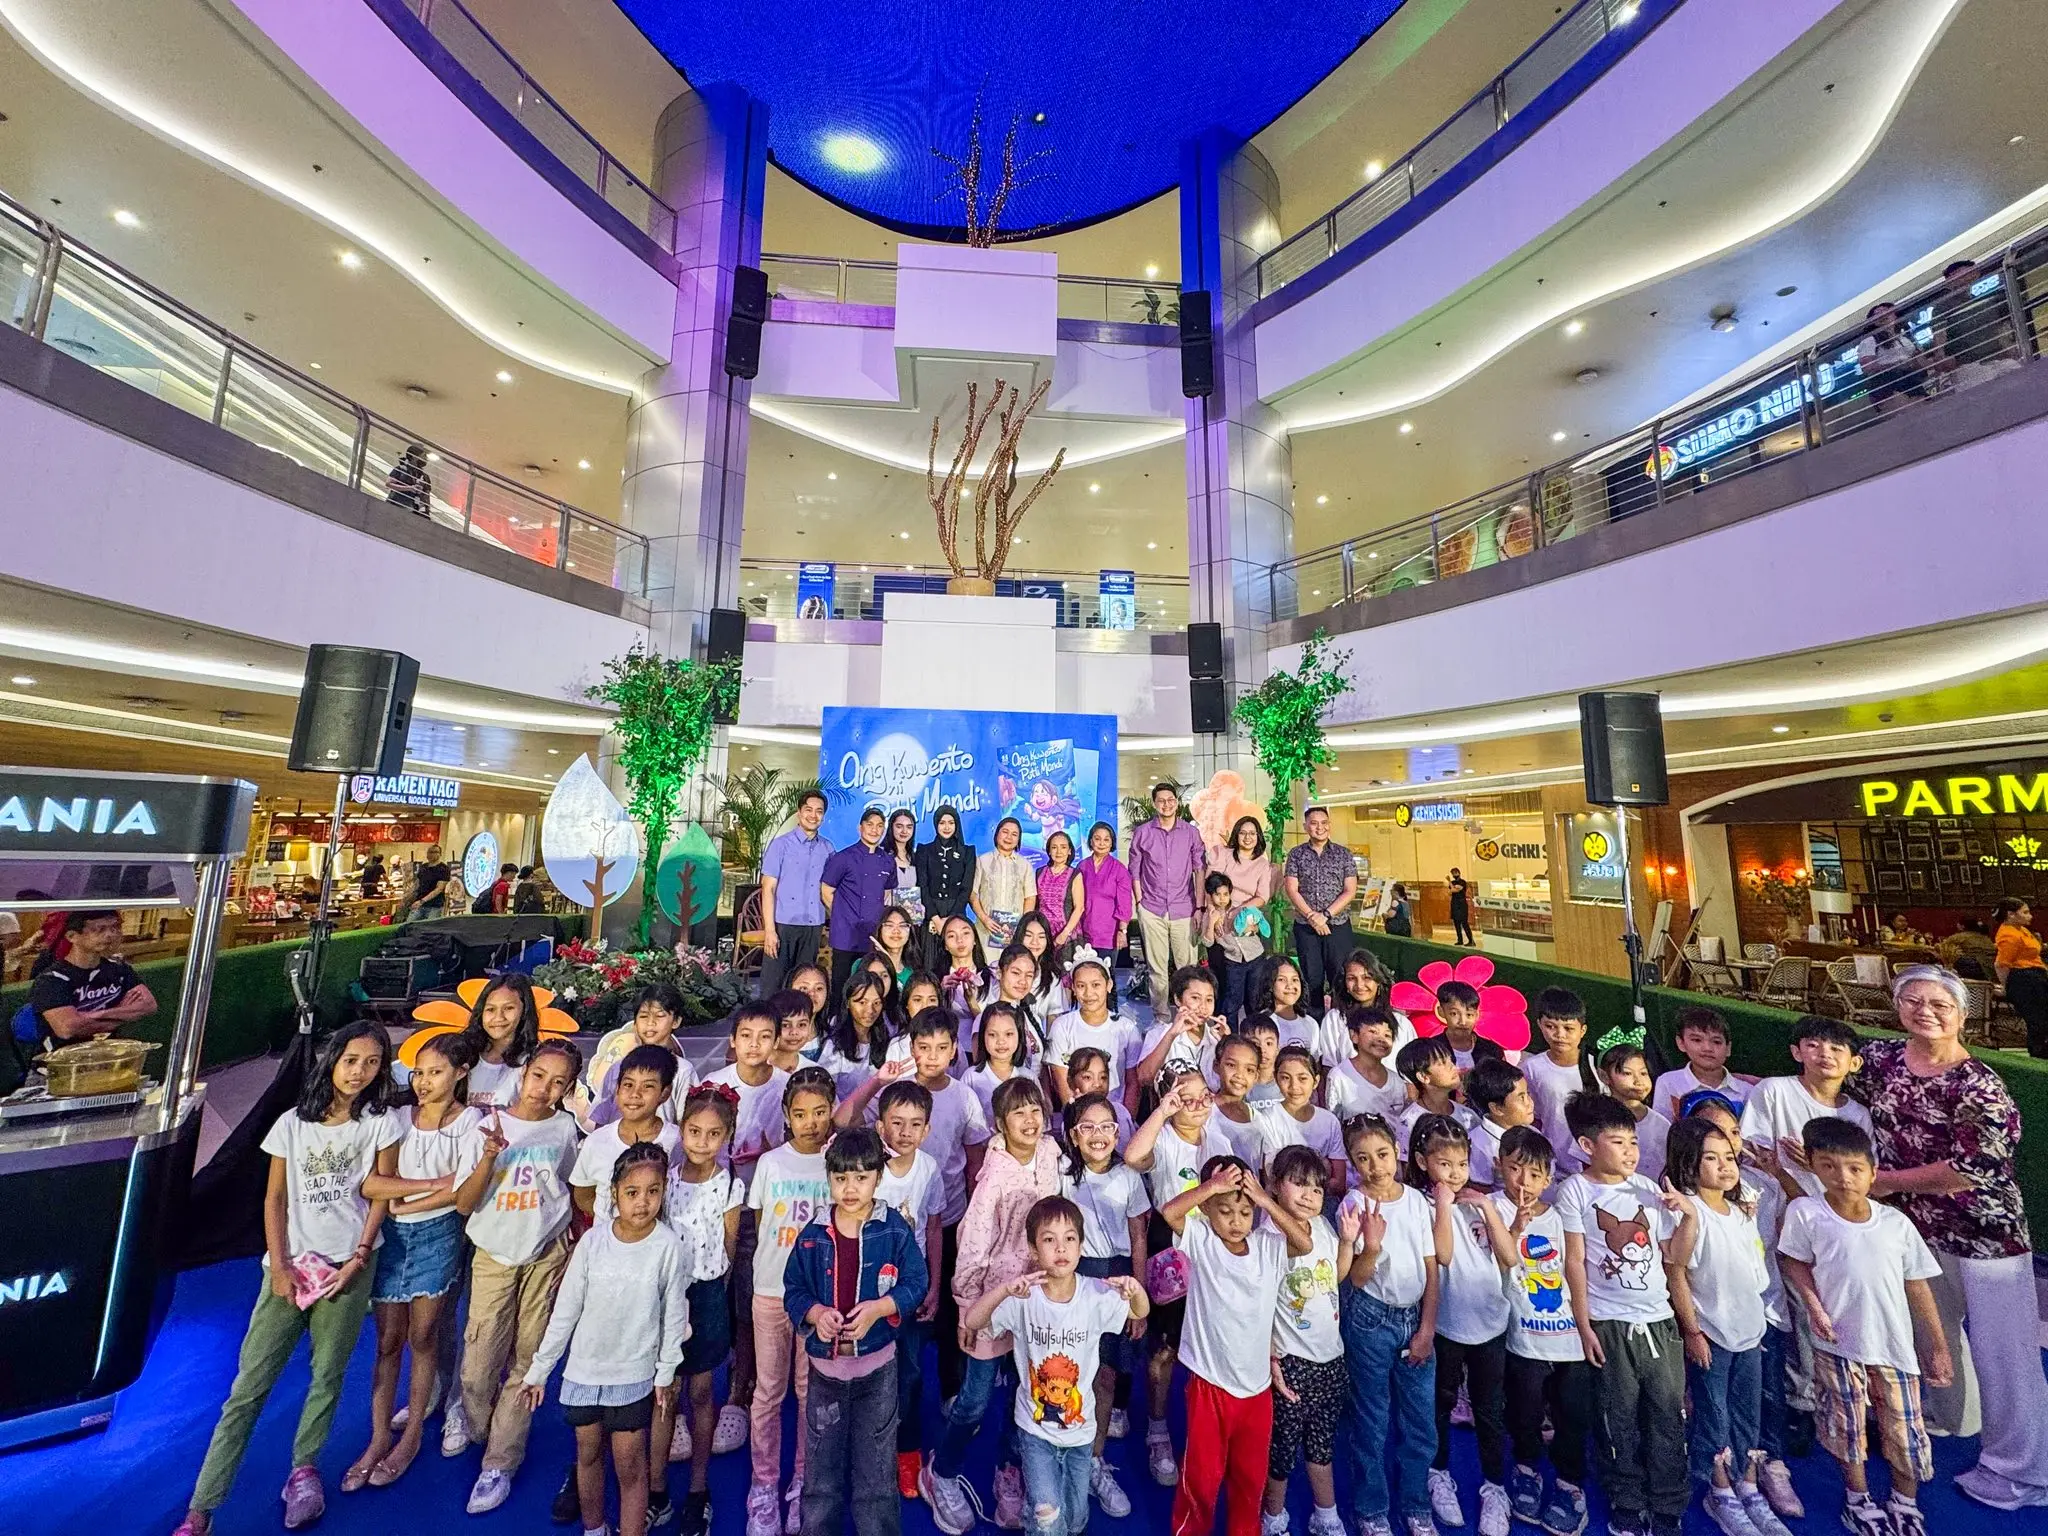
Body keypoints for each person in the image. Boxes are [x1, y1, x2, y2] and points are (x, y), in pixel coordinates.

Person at [170, 1023, 402, 1536]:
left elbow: (379, 1192)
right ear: (332, 1060)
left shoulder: (381, 1123)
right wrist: (280, 1268)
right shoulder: (291, 1124)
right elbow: (274, 1200)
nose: (359, 1071)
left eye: (371, 1062)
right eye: (350, 1060)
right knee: (247, 1389)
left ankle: (304, 1471)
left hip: (346, 1273)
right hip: (291, 1271)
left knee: (327, 1377)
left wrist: (359, 1257)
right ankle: (202, 1507)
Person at [1860, 965, 2048, 1510]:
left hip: (1987, 1237)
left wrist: (1883, 1183)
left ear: (1963, 1014)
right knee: (1932, 1334)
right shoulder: (1880, 1060)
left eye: (1939, 1004)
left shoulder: (1980, 1084)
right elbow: (1826, 1066)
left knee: (2005, 1354)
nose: (1925, 1011)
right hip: (1917, 1234)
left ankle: (2024, 1472)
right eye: (1913, 1001)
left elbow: (1972, 1167)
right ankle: (1952, 1422)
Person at [1778, 1117, 1954, 1536]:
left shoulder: (1895, 1224)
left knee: (1905, 1429)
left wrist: (1937, 1344)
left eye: (1855, 1168)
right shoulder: (1806, 1214)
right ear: (1815, 1167)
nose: (1843, 1178)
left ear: (1873, 1172)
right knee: (1847, 1428)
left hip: (1894, 1348)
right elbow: (1795, 1261)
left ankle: (1904, 1501)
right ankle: (1857, 1499)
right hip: (1837, 1345)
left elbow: (1918, 1285)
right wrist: (1815, 1306)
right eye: (1829, 1166)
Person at [520, 1142, 690, 1536]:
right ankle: (594, 1529)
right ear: (613, 1193)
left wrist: (665, 1373)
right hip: (584, 1373)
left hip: (633, 1375)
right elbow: (565, 1311)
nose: (643, 1202)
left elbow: (673, 1314)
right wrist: (540, 1370)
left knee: (631, 1464)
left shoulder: (667, 1246)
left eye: (653, 1192)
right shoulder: (592, 1243)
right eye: (632, 1192)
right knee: (588, 1455)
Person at [923, 1077, 1064, 1534]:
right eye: (1018, 1113)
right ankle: (940, 1472)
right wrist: (968, 1306)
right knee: (975, 1400)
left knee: (1027, 1393)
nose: (1029, 1120)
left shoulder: (1050, 1156)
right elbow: (972, 1245)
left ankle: (1008, 1470)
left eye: (1035, 1110)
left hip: (1038, 1300)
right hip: (993, 1300)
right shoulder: (994, 1178)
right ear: (1000, 1124)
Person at [343, 1032, 482, 1491]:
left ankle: (415, 1432)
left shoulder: (471, 1123)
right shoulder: (397, 1118)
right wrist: (429, 1187)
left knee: (423, 1336)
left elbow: (461, 1195)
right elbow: (371, 1184)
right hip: (393, 1238)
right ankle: (380, 1435)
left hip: (439, 1237)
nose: (423, 1082)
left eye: (436, 1072)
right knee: (386, 1340)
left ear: (461, 1073)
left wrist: (405, 1197)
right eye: (418, 1072)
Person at [451, 1040, 584, 1514]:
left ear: (568, 1089)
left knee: (529, 1358)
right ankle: (473, 1417)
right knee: (479, 1357)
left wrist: (569, 1247)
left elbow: (569, 1183)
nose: (544, 1088)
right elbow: (465, 1203)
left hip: (545, 1254)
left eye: (558, 1082)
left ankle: (500, 1461)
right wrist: (489, 1157)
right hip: (494, 1255)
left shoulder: (564, 1127)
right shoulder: (486, 1126)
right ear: (524, 1073)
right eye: (539, 1075)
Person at [962, 1195, 1145, 1536]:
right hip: (1035, 1432)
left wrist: (1135, 1290)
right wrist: (1003, 1291)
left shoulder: (1094, 1295)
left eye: (1070, 1239)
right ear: (1033, 1249)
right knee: (1048, 1517)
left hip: (1080, 1433)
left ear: (1080, 1247)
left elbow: (1139, 1312)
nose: (1061, 1248)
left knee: (1074, 1521)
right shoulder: (1024, 1297)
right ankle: (1038, 1519)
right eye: (1049, 1239)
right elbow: (974, 1319)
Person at [837, 1010, 991, 1409]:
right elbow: (845, 1121)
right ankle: (890, 1404)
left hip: (948, 1219)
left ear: (955, 1050)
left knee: (942, 1311)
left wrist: (975, 1215)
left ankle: (950, 1392)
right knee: (899, 1326)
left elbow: (975, 1159)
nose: (933, 1055)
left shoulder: (964, 1097)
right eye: (924, 1047)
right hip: (893, 1240)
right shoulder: (896, 1097)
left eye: (943, 1047)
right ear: (912, 1049)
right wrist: (878, 1081)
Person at [1556, 1091, 1692, 1536]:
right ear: (1588, 1145)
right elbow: (1573, 1262)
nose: (1631, 1151)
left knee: (1668, 1414)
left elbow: (1674, 1255)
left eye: (1633, 1142)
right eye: (1618, 1142)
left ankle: (1668, 1501)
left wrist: (1688, 1217)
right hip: (1609, 1322)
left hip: (1658, 1320)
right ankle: (1626, 1499)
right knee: (1618, 1416)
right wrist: (1584, 1324)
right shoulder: (1574, 1191)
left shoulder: (1650, 1190)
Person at [1159, 1154, 1315, 1536]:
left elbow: (1304, 1243)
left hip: (1257, 1390)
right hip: (1210, 1385)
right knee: (1202, 1478)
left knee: (1249, 1481)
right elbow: (1170, 1213)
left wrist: (1263, 1199)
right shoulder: (1202, 1240)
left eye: (1244, 1212)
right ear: (1208, 1209)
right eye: (1224, 1211)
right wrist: (1212, 1186)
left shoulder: (1267, 1245)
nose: (1235, 1221)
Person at [784, 1125, 928, 1536]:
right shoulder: (812, 1235)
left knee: (876, 1468)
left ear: (878, 1179)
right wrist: (814, 1314)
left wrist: (882, 1308)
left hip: (878, 1372)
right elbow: (793, 1289)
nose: (850, 1188)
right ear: (827, 1178)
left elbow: (916, 1283)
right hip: (825, 1374)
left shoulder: (894, 1229)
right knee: (821, 1470)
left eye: (861, 1177)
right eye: (841, 1177)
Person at [1662, 1117, 1787, 1536]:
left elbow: (1756, 1274)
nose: (1725, 1166)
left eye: (1729, 1157)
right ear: (1687, 1164)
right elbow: (1676, 1270)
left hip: (1750, 1332)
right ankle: (1720, 1491)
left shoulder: (1740, 1211)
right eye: (1710, 1158)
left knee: (1746, 1412)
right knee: (1713, 1414)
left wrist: (1760, 1323)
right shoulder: (1689, 1212)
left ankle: (1748, 1484)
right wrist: (1693, 1331)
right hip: (1712, 1334)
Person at [1124, 1068, 1234, 1485]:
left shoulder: (1218, 1139)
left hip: (1212, 1256)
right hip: (1170, 1256)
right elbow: (1134, 1157)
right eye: (1184, 1098)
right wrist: (1162, 1112)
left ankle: (1206, 1432)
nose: (1197, 1104)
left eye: (1204, 1095)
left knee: (1209, 1346)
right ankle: (1157, 1429)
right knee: (1165, 1348)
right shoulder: (1163, 1139)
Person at [1485, 1126, 1594, 1536]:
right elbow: (1494, 1266)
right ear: (1500, 1166)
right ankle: (1527, 1470)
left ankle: (1570, 1485)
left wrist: (1585, 1327)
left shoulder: (1563, 1215)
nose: (1523, 1182)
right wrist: (1512, 1225)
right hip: (1521, 1338)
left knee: (1572, 1413)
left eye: (1534, 1174)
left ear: (1549, 1178)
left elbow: (1575, 1270)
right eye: (1515, 1169)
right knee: (1523, 1411)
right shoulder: (1489, 1208)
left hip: (1567, 1336)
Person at [1335, 1111, 1440, 1536]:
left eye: (1381, 1154)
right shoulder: (1353, 1204)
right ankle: (1371, 1508)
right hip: (1370, 1320)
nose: (1375, 1165)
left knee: (1420, 1420)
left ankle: (1416, 1503)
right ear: (1352, 1163)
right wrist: (1371, 1247)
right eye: (1363, 1159)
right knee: (1371, 1418)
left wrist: (1428, 1327)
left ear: (1397, 1151)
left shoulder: (1416, 1201)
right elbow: (1354, 1280)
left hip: (1414, 1317)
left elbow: (1431, 1267)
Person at [1409, 1113, 1512, 1536]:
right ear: (1421, 1161)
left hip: (1491, 1323)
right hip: (1447, 1325)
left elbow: (1509, 1257)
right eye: (1444, 1164)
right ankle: (1438, 1474)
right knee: (1440, 1403)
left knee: (1490, 1409)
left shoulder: (1480, 1203)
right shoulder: (1424, 1206)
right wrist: (1446, 1207)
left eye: (1462, 1164)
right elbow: (1444, 1256)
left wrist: (1486, 1206)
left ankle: (1495, 1487)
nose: (1454, 1173)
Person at [663, 1083, 745, 1536]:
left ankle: (698, 1485)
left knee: (700, 1391)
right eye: (694, 1131)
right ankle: (656, 1486)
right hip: (669, 1297)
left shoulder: (731, 1186)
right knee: (666, 1389)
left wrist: (716, 1294)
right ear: (681, 1130)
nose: (702, 1142)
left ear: (727, 1136)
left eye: (713, 1134)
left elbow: (730, 1246)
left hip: (709, 1294)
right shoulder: (666, 1180)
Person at [1060, 1092, 1151, 1478]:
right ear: (1073, 1135)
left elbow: (1139, 1238)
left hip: (1116, 1279)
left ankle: (1095, 1461)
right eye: (1088, 1127)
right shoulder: (1061, 1174)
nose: (1098, 1136)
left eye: (1107, 1127)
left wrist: (1137, 1298)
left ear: (1118, 1133)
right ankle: (1064, 1449)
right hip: (1075, 1277)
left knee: (1106, 1373)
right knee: (1068, 1370)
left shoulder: (1128, 1176)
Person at [1260, 1145, 1347, 1536]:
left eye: (1317, 1188)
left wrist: (1352, 1241)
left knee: (1321, 1444)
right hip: (1292, 1361)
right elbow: (1260, 1302)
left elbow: (1335, 1277)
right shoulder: (1269, 1234)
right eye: (1298, 1184)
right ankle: (1273, 1517)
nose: (1310, 1195)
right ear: (1276, 1185)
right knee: (1281, 1448)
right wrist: (1271, 1356)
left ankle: (1325, 1514)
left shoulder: (1324, 1227)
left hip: (1331, 1358)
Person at [875, 1079, 943, 1497]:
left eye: (914, 1124)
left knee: (912, 1373)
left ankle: (907, 1451)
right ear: (880, 1125)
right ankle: (870, 1450)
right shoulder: (870, 1167)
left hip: (912, 1286)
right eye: (896, 1122)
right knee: (871, 1372)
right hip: (871, 1289)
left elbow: (933, 1227)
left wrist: (933, 1285)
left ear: (927, 1130)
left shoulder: (930, 1169)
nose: (904, 1132)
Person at [1738, 1014, 1870, 1202]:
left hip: (1830, 1210)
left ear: (1854, 1063)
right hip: (1768, 1200)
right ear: (1796, 1052)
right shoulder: (1774, 1090)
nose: (1825, 1054)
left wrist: (1816, 1165)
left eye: (1836, 1048)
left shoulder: (1858, 1115)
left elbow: (1861, 1176)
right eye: (1813, 1045)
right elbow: (1755, 1156)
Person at [25, 908, 156, 1054]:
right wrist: (122, 1012)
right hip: (60, 1063)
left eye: (114, 927)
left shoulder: (118, 968)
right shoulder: (52, 979)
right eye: (99, 929)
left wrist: (90, 1016)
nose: (110, 935)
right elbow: (67, 1029)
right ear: (72, 936)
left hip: (107, 1056)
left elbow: (148, 1005)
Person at [1128, 783, 1207, 1017]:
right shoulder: (1143, 832)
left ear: (1177, 802)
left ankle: (1190, 1017)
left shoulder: (1191, 833)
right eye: (1161, 800)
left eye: (1170, 799)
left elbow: (1199, 870)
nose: (1166, 804)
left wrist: (1200, 906)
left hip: (1185, 908)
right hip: (1152, 909)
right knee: (1157, 969)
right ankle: (1160, 1019)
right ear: (1154, 804)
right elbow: (1134, 870)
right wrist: (1140, 903)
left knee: (1188, 970)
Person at [1282, 807, 1357, 1015]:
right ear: (1306, 826)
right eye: (1314, 823)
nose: (1320, 827)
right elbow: (1291, 889)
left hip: (1338, 925)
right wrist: (1311, 917)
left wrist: (1325, 916)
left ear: (1329, 825)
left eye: (1324, 822)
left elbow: (1350, 890)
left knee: (1340, 977)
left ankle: (1341, 1023)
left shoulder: (1343, 854)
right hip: (1306, 927)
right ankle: (1314, 1026)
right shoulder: (1296, 854)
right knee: (1311, 977)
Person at [757, 789, 832, 996]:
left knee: (803, 986)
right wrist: (770, 931)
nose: (813, 815)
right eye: (808, 810)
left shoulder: (827, 849)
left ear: (823, 816)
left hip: (813, 926)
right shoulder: (780, 845)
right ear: (799, 813)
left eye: (819, 811)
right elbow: (768, 888)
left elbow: (830, 889)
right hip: (783, 926)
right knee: (773, 986)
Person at [820, 807, 896, 1004]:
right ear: (860, 828)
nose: (874, 830)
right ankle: (836, 1027)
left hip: (872, 935)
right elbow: (826, 889)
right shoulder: (843, 858)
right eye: (870, 825)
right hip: (845, 934)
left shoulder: (887, 861)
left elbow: (887, 893)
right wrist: (840, 915)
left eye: (880, 826)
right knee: (841, 986)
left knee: (869, 987)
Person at [1522, 989, 1598, 1177]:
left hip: (1597, 1163)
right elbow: (1533, 1118)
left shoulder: (1596, 1064)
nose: (1559, 1035)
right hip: (1555, 1165)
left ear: (1582, 1030)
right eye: (1551, 1026)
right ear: (1539, 1024)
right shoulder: (1531, 1068)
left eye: (1569, 1028)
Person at [1045, 956, 1140, 1107]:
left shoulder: (1126, 1028)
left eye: (1096, 985)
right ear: (1073, 989)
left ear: (1108, 985)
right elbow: (1061, 1082)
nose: (1089, 993)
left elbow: (1133, 1082)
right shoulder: (1062, 1026)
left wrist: (1126, 1117)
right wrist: (1074, 1116)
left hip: (1116, 1113)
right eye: (1081, 986)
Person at [1210, 817, 1274, 1013]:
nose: (1248, 837)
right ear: (1236, 835)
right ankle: (1225, 1035)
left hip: (1246, 920)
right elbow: (1211, 884)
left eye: (1252, 833)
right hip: (1220, 917)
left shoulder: (1262, 864)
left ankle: (1252, 1035)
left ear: (1258, 837)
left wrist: (1241, 909)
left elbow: (1262, 896)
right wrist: (1214, 914)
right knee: (1226, 992)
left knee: (1253, 993)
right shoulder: (1225, 855)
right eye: (1243, 833)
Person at [1932, 256, 2023, 391]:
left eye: (1970, 273)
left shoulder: (1978, 301)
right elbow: (1940, 334)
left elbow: (1997, 328)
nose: (1968, 277)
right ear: (1951, 279)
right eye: (1963, 273)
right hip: (1968, 365)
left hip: (1995, 358)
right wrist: (1941, 357)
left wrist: (2008, 348)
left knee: (2019, 375)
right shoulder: (1942, 306)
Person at [1652, 1006, 1752, 1120]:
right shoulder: (1669, 1083)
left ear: (1728, 1048)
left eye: (1716, 1042)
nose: (1707, 1048)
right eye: (1697, 1040)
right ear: (1681, 1043)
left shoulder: (1746, 1091)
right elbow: (1662, 1128)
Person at [1322, 1004, 1411, 1123]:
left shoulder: (1397, 1083)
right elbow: (1333, 1122)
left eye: (1387, 1035)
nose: (1381, 1039)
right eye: (1373, 1032)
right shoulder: (1339, 1076)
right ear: (1354, 1036)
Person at [913, 805, 976, 968]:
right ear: (936, 825)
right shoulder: (924, 850)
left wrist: (950, 921)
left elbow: (966, 888)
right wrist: (936, 919)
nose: (946, 827)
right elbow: (923, 886)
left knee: (956, 967)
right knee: (930, 966)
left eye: (951, 822)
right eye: (942, 823)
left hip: (957, 915)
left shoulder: (968, 852)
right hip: (931, 917)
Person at [1598, 1041, 1671, 1183]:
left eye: (1643, 1073)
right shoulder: (1597, 1118)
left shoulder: (1661, 1124)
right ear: (1604, 1076)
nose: (1638, 1081)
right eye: (1627, 1073)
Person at [971, 815, 1036, 957]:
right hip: (986, 929)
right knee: (987, 972)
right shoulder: (982, 861)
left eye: (1014, 834)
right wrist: (985, 919)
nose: (1009, 837)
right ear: (997, 834)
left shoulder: (1025, 866)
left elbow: (1030, 898)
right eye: (1005, 832)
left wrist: (1021, 927)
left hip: (1013, 933)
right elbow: (973, 894)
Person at [1075, 820, 1134, 971]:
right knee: (1083, 975)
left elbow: (1125, 903)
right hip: (1083, 933)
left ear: (1112, 843)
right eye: (1097, 838)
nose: (1101, 843)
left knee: (1106, 977)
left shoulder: (1119, 870)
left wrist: (1123, 931)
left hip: (1109, 935)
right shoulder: (1082, 866)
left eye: (1106, 839)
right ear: (1090, 841)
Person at [1992, 898, 2048, 1057]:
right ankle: (2038, 1058)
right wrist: (2007, 987)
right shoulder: (2009, 935)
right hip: (2024, 980)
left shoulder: (2021, 930)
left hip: (2036, 976)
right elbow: (2001, 964)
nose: (2030, 916)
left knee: (2042, 1019)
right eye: (2025, 912)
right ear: (2011, 915)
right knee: (2037, 1021)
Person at [1855, 300, 1931, 413]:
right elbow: (1867, 367)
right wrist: (1897, 365)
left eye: (1886, 312)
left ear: (1894, 315)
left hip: (1910, 379)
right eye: (1877, 314)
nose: (1882, 315)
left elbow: (1919, 361)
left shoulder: (1905, 339)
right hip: (1888, 383)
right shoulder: (1870, 341)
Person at [1036, 829, 1086, 956]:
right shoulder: (1039, 873)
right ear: (1048, 851)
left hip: (1067, 937)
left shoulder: (1075, 874)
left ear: (1069, 851)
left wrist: (1064, 934)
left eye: (1063, 847)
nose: (1058, 852)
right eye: (1054, 847)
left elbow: (1079, 908)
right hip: (1043, 934)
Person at [885, 809, 922, 922]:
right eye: (899, 826)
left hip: (911, 920)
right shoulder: (882, 856)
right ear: (891, 827)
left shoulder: (916, 858)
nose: (904, 831)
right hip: (886, 917)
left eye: (909, 827)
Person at [385, 442, 432, 515]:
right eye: (423, 456)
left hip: (411, 510)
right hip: (394, 505)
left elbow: (426, 497)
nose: (426, 459)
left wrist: (426, 512)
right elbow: (388, 483)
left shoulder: (425, 477)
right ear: (414, 457)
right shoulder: (401, 469)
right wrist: (410, 488)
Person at [407, 845, 452, 920]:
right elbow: (417, 884)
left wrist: (422, 901)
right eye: (429, 852)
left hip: (434, 906)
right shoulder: (423, 867)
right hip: (419, 903)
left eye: (435, 852)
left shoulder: (444, 869)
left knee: (429, 928)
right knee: (408, 925)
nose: (431, 854)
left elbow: (439, 889)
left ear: (440, 854)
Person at [1448, 867, 1473, 947]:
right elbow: (1450, 891)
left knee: (1464, 923)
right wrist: (1452, 886)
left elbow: (1456, 890)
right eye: (1453, 873)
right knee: (1456, 923)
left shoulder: (1463, 882)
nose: (1454, 875)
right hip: (1454, 903)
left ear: (1459, 873)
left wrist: (1449, 883)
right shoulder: (1453, 882)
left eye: (1455, 873)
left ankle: (1470, 940)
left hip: (1462, 904)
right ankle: (1460, 940)